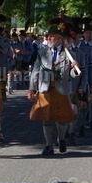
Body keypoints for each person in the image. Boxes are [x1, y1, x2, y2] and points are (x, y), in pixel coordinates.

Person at [28, 21, 80, 156]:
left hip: (62, 88)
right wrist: (32, 88)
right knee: (46, 117)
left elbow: (73, 75)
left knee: (62, 117)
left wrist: (74, 66)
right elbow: (36, 70)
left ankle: (61, 138)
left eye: (52, 36)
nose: (48, 38)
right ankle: (48, 145)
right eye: (48, 36)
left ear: (59, 38)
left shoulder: (69, 53)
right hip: (45, 88)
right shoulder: (42, 51)